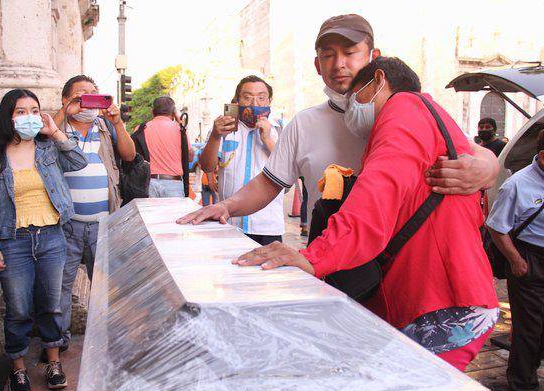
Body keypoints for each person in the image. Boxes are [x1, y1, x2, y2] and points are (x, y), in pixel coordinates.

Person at [224, 57, 501, 373]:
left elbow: (376, 196)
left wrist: (313, 257)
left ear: (379, 81)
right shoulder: (430, 114)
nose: (351, 108)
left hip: (440, 301)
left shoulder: (403, 111)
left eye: (355, 96)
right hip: (442, 296)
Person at [178, 14, 499, 232]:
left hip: (403, 263)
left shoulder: (407, 112)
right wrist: (226, 207)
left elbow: (468, 148)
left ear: (373, 56)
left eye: (350, 52)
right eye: (328, 55)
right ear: (317, 65)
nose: (339, 64)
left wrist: (488, 166)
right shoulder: (304, 123)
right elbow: (268, 183)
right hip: (332, 264)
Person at [0, 89, 87, 391]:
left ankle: (53, 362)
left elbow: (78, 161)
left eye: (34, 111)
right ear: (8, 117)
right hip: (13, 241)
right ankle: (18, 367)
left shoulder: (48, 148)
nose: (29, 117)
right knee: (19, 309)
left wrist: (55, 131)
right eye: (21, 112)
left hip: (51, 237)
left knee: (51, 306)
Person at [52, 75, 135, 352]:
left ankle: (107, 338)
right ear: (66, 99)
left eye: (93, 93)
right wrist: (66, 111)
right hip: (65, 224)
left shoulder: (104, 127)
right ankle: (57, 340)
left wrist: (118, 123)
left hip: (103, 223)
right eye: (81, 94)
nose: (88, 100)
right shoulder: (58, 126)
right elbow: (42, 136)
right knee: (60, 286)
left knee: (105, 284)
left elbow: (129, 155)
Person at [486, 123, 544, 391]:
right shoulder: (517, 185)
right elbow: (497, 227)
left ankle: (527, 371)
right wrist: (516, 261)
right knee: (528, 330)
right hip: (531, 261)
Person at [198, 75, 284, 245]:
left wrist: (267, 140)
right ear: (237, 101)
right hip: (228, 222)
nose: (254, 103)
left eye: (261, 98)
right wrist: (215, 136)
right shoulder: (224, 128)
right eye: (247, 97)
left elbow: (287, 172)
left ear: (269, 101)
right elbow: (207, 166)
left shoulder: (280, 130)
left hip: (267, 225)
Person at [132, 96, 189, 197]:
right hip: (174, 184)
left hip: (148, 183)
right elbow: (190, 156)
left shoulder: (140, 129)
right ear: (173, 113)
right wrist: (180, 123)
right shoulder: (180, 130)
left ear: (152, 112)